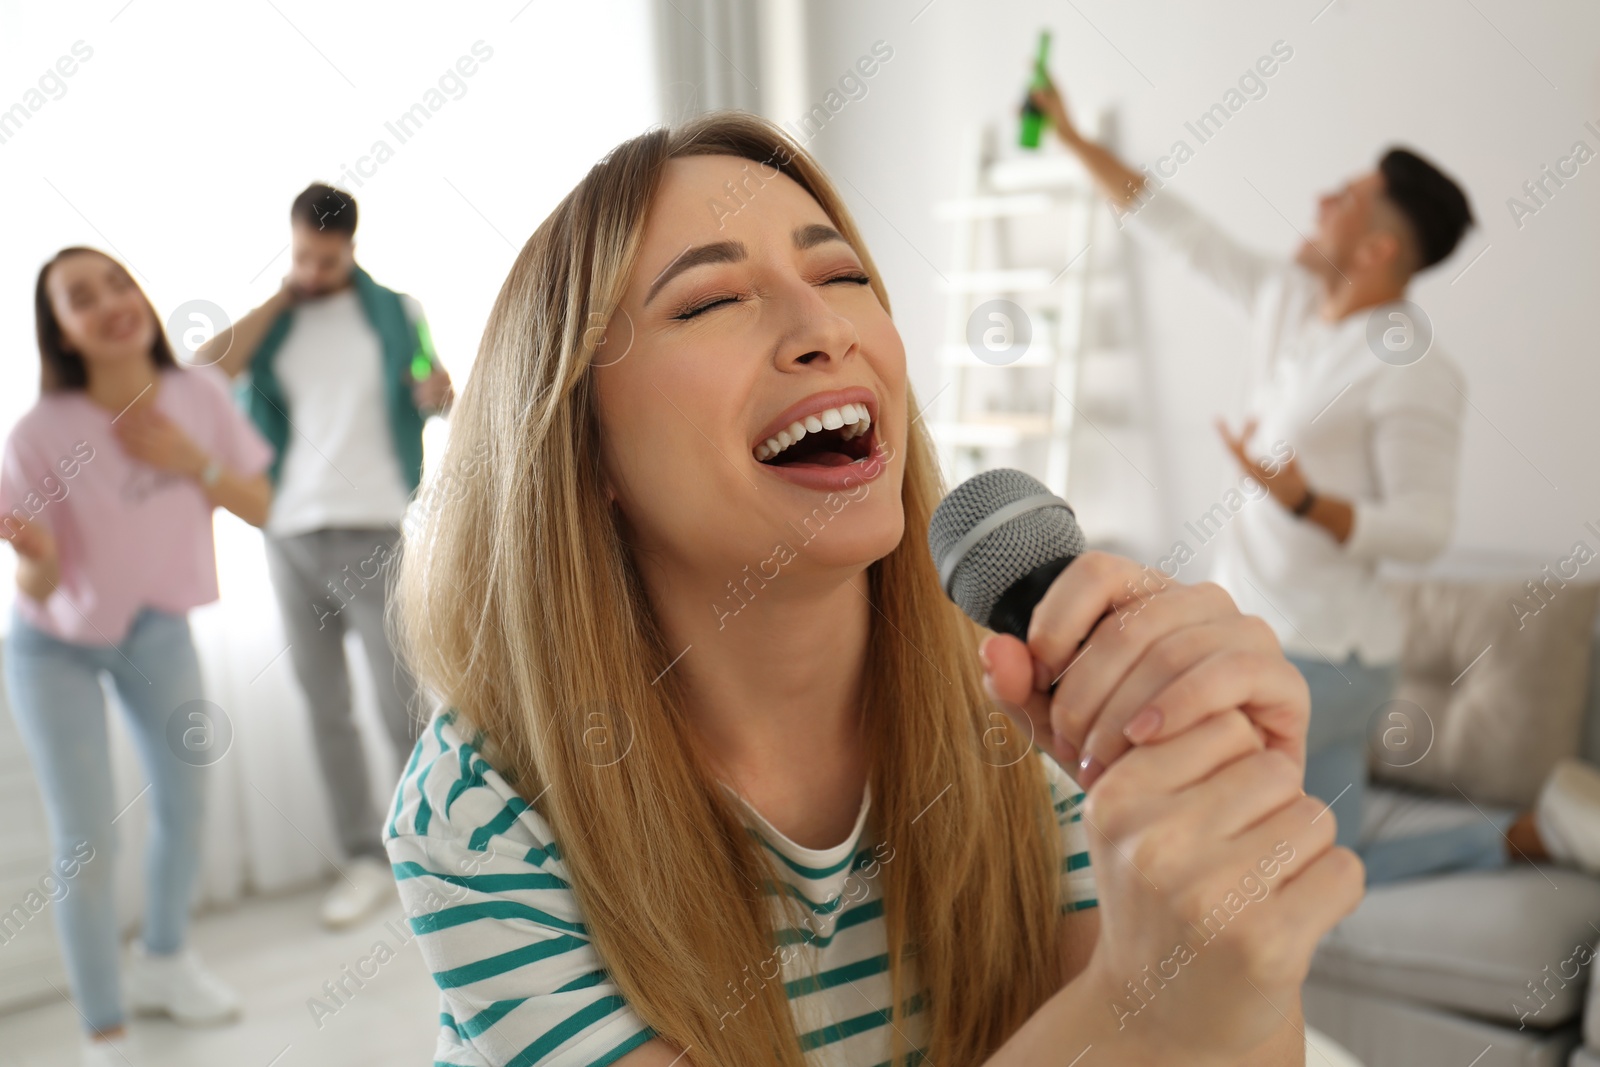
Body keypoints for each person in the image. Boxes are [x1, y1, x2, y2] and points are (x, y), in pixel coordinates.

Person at [381, 110, 1366, 1067]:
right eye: (711, 299)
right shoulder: (482, 808)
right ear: (580, 444)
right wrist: (1138, 1013)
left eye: (843, 274)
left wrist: (1225, 947)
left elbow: (1222, 1039)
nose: (823, 327)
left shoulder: (1022, 715)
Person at [1029, 73, 1600, 886]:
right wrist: (1070, 133)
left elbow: (1424, 525)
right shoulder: (1288, 302)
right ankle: (1533, 831)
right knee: (1333, 859)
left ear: (1377, 251)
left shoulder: (1414, 368)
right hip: (1285, 637)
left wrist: (1303, 500)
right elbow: (1176, 228)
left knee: (1179, 794)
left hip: (1320, 656)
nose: (1322, 198)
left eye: (1347, 196)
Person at [1, 247, 275, 1066]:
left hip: (157, 630)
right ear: (62, 330)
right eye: (82, 298)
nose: (110, 303)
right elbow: (41, 583)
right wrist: (38, 552)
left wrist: (192, 462)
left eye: (117, 282)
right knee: (87, 838)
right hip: (56, 647)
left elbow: (263, 505)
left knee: (188, 804)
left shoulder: (199, 395)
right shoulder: (38, 434)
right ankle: (105, 1030)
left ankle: (164, 961)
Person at [199, 183, 454, 928]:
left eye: (325, 256)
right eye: (301, 253)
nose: (311, 268)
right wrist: (284, 297)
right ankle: (361, 859)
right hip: (287, 531)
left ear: (352, 246)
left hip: (371, 526)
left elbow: (431, 387)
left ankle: (434, 854)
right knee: (325, 707)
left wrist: (436, 392)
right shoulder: (276, 323)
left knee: (401, 700)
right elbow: (204, 371)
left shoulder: (396, 311)